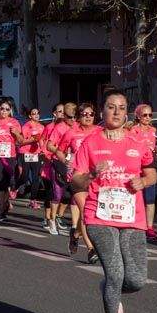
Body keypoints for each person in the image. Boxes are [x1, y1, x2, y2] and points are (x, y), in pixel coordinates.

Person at [70, 89, 157, 313]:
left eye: (121, 107)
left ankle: (110, 288)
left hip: (132, 217)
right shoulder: (91, 143)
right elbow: (75, 180)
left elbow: (151, 173)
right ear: (102, 111)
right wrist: (91, 175)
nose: (117, 112)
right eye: (111, 107)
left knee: (136, 280)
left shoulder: (137, 143)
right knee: (116, 271)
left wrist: (143, 181)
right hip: (99, 215)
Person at [57, 102, 98, 259]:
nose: (88, 117)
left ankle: (75, 234)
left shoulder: (100, 131)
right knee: (86, 210)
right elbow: (59, 151)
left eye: (91, 114)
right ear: (79, 116)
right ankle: (90, 249)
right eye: (84, 114)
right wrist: (67, 161)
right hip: (77, 177)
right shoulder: (71, 133)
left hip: (95, 177)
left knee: (90, 213)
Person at [128, 104, 157, 241]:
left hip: (150, 164)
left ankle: (150, 227)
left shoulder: (153, 130)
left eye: (150, 115)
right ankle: (135, 223)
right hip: (136, 164)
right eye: (145, 115)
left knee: (150, 198)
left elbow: (152, 146)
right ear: (138, 116)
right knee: (136, 195)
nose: (148, 118)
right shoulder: (133, 130)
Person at [40, 103, 69, 235]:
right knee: (52, 192)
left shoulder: (71, 127)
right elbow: (44, 142)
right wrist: (46, 155)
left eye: (64, 112)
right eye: (60, 111)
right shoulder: (50, 127)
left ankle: (58, 217)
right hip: (50, 162)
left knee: (67, 194)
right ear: (54, 113)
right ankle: (48, 218)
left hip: (66, 162)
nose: (62, 114)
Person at [19, 107, 46, 210]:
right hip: (26, 153)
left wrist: (43, 150)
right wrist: (33, 139)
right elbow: (22, 141)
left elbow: (42, 141)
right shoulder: (26, 126)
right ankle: (15, 188)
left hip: (36, 154)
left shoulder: (42, 127)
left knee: (36, 178)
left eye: (38, 113)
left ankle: (33, 200)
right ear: (30, 116)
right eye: (34, 114)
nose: (36, 115)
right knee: (25, 176)